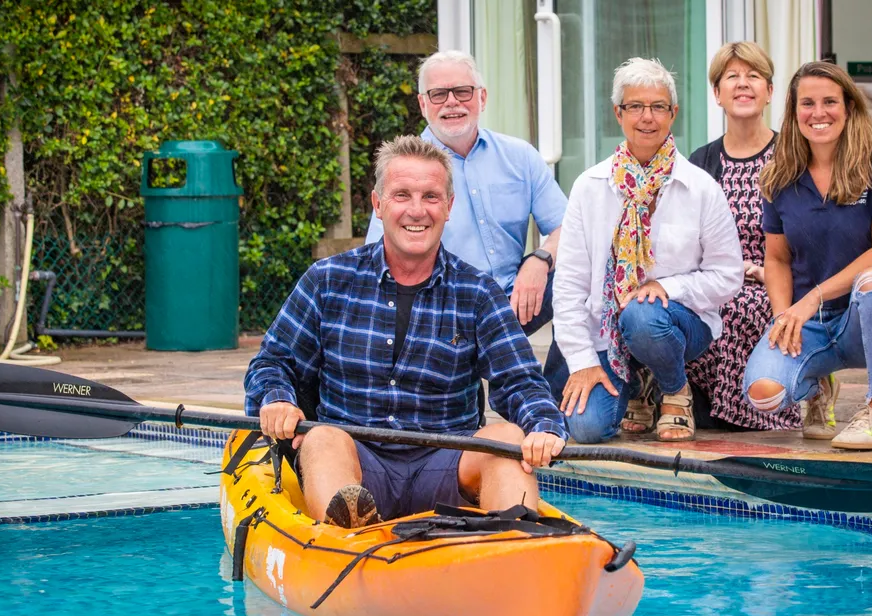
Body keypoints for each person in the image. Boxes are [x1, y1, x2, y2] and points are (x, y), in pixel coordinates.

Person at [246, 135, 568, 528]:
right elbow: (272, 362)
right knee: (322, 438)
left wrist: (545, 428)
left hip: (447, 462)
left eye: (431, 197)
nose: (417, 211)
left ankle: (512, 550)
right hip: (356, 460)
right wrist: (277, 401)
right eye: (402, 195)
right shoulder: (327, 280)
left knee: (509, 439)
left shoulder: (478, 293)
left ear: (449, 207)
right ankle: (349, 544)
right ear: (378, 205)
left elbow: (521, 382)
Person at [552, 58, 744, 444]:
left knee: (642, 315)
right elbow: (569, 285)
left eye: (658, 106)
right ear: (617, 114)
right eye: (635, 106)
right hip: (607, 332)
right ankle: (640, 386)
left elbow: (728, 275)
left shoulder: (700, 187)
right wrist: (584, 362)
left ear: (673, 114)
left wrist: (669, 288)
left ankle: (674, 388)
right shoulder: (589, 187)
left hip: (677, 325)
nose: (647, 117)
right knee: (587, 429)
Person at [365, 50, 568, 402]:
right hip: (443, 308)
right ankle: (460, 391)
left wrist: (540, 259)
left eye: (462, 91)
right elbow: (379, 256)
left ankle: (555, 397)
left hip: (513, 299)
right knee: (460, 422)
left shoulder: (520, 157)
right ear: (422, 104)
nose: (452, 103)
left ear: (482, 97)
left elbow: (570, 229)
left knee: (577, 278)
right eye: (438, 94)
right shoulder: (407, 167)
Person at [743, 61, 872, 450]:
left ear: (849, 107)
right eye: (807, 103)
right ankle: (818, 386)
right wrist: (784, 316)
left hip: (861, 318)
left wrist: (812, 298)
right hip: (811, 325)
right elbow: (777, 259)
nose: (818, 113)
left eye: (830, 102)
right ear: (794, 111)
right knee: (763, 394)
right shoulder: (778, 175)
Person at [685, 42, 803, 433]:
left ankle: (750, 417)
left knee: (736, 310)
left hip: (780, 282)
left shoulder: (794, 154)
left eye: (753, 76)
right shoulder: (701, 162)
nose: (743, 84)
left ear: (770, 91)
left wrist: (756, 270)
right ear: (717, 94)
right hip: (716, 279)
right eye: (731, 77)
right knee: (683, 313)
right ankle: (696, 404)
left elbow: (807, 234)